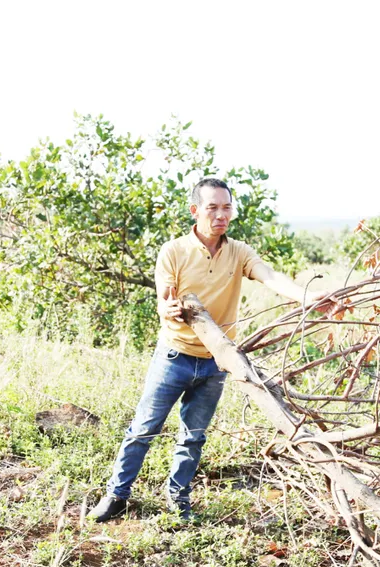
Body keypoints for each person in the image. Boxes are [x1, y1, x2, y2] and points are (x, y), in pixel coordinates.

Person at [88, 177, 333, 522]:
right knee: (144, 429)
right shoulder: (174, 251)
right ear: (195, 210)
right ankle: (117, 496)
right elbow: (165, 297)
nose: (221, 215)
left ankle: (178, 498)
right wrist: (168, 309)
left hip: (216, 362)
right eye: (212, 207)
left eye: (226, 207)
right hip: (174, 356)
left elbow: (270, 277)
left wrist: (306, 297)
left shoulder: (239, 252)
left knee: (193, 437)